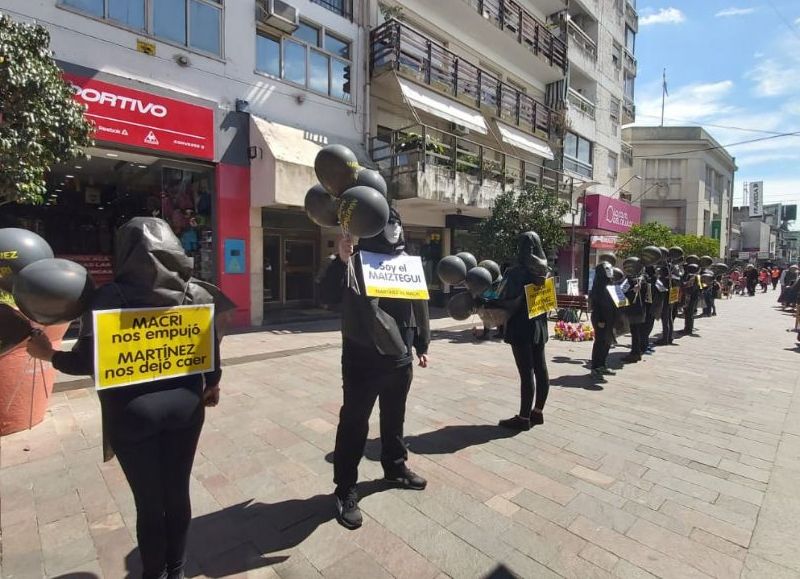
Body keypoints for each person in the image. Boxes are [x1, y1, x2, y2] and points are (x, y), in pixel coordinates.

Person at [26, 218, 230, 579]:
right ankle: (177, 570)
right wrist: (212, 385)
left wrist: (49, 355)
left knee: (149, 502)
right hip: (185, 407)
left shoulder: (107, 298)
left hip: (132, 415)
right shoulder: (195, 293)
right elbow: (208, 350)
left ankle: (154, 574)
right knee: (177, 491)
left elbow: (87, 361)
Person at [318, 208, 431, 530]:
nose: (394, 229)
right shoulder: (355, 260)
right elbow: (325, 296)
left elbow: (418, 305)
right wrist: (339, 260)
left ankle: (395, 468)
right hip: (362, 360)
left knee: (394, 418)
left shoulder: (407, 261)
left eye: (398, 223)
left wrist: (422, 344)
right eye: (388, 223)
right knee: (354, 423)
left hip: (400, 360)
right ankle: (345, 488)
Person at [495, 232, 550, 431]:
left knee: (526, 373)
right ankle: (537, 412)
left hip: (520, 327)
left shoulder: (515, 272)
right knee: (541, 369)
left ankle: (523, 417)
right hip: (539, 326)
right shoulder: (546, 271)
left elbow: (501, 297)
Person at [588, 262, 617, 382]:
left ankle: (602, 365)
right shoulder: (598, 287)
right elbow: (596, 305)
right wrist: (600, 319)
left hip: (610, 318)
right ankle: (595, 368)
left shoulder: (611, 284)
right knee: (600, 343)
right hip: (601, 319)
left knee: (607, 342)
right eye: (607, 269)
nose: (610, 270)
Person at [656, 265, 675, 345]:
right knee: (669, 319)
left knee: (665, 320)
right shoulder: (673, 279)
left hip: (665, 301)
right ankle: (670, 337)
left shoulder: (662, 280)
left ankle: (665, 339)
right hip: (671, 301)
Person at [681, 265, 701, 335]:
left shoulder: (693, 277)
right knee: (689, 314)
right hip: (694, 297)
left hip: (690, 298)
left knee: (689, 314)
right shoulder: (698, 276)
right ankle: (687, 328)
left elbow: (687, 285)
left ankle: (688, 329)